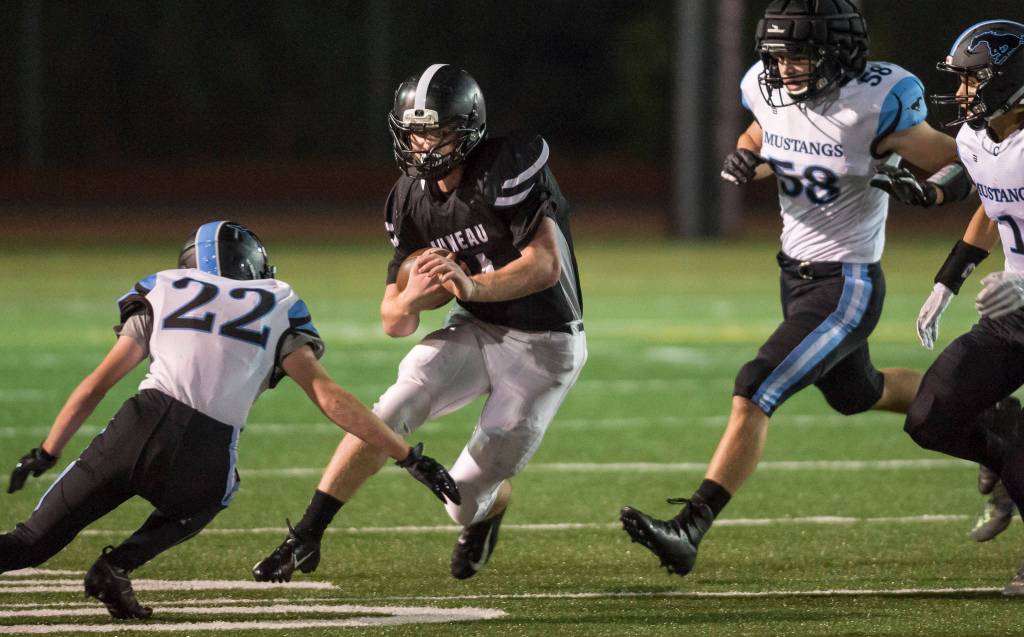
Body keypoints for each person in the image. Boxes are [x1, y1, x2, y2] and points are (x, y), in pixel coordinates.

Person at [620, 0, 972, 576]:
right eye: (780, 55)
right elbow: (763, 130)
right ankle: (986, 409)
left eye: (802, 55)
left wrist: (924, 187)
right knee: (857, 392)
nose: (787, 69)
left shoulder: (874, 104)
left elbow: (963, 161)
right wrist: (748, 156)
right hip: (795, 276)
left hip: (847, 284)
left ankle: (690, 527)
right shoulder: (767, 85)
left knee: (755, 385)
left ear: (839, 55)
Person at [1, 221, 458, 619]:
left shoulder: (165, 288)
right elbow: (328, 396)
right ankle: (118, 565)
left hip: (136, 426)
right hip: (206, 450)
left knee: (30, 543)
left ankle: (111, 567)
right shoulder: (277, 302)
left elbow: (96, 384)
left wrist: (46, 451)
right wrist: (407, 456)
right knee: (216, 493)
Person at [252, 64, 586, 583]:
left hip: (546, 343)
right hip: (476, 327)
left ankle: (491, 510)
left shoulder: (507, 166)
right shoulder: (409, 197)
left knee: (463, 500)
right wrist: (410, 298)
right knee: (393, 406)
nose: (424, 144)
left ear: (467, 129)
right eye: (415, 130)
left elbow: (545, 266)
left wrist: (471, 287)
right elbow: (393, 321)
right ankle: (307, 536)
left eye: (437, 131)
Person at [884, 19, 1024, 595]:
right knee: (932, 416)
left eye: (973, 80)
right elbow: (992, 202)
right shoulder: (976, 137)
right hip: (1013, 311)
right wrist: (948, 282)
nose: (963, 92)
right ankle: (1007, 438)